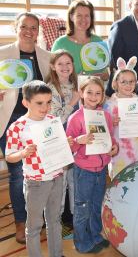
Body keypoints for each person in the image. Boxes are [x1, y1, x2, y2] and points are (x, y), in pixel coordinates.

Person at [0, 12, 52, 244]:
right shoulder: (2, 55)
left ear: (38, 30)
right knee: (18, 174)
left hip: (38, 122)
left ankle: (38, 219)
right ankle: (21, 222)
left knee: (40, 172)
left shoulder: (46, 56)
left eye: (34, 27)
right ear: (16, 27)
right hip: (11, 122)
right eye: (24, 27)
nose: (29, 31)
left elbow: (55, 89)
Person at [5, 81, 72, 257]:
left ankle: (56, 254)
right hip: (36, 182)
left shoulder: (52, 120)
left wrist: (68, 144)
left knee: (54, 221)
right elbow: (9, 156)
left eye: (49, 102)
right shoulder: (17, 127)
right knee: (34, 226)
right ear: (26, 103)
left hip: (57, 177)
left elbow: (59, 146)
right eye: (39, 103)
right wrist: (23, 153)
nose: (45, 107)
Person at [66, 77, 118, 254]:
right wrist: (79, 141)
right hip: (84, 171)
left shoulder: (106, 116)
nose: (93, 96)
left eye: (98, 93)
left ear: (103, 96)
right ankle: (81, 242)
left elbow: (110, 138)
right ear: (81, 93)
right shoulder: (75, 118)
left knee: (97, 205)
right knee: (83, 207)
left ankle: (95, 235)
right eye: (89, 92)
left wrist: (114, 147)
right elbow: (69, 146)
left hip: (101, 169)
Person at [104, 56, 138, 179]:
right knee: (119, 181)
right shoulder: (109, 104)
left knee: (137, 179)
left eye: (131, 81)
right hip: (118, 151)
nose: (128, 85)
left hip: (136, 149)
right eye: (123, 82)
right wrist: (111, 123)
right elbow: (103, 128)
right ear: (115, 83)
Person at [45, 49, 79, 227]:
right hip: (59, 141)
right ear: (53, 66)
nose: (65, 67)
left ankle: (72, 217)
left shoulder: (76, 85)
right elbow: (56, 120)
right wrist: (72, 102)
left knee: (73, 180)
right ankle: (55, 221)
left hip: (76, 140)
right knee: (61, 181)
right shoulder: (51, 88)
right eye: (60, 64)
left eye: (68, 63)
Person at [51, 0, 108, 80]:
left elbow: (107, 70)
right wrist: (76, 79)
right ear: (71, 17)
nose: (83, 19)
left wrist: (105, 75)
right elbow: (53, 74)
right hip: (69, 91)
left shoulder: (98, 41)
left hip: (97, 90)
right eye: (79, 15)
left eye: (87, 16)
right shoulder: (60, 43)